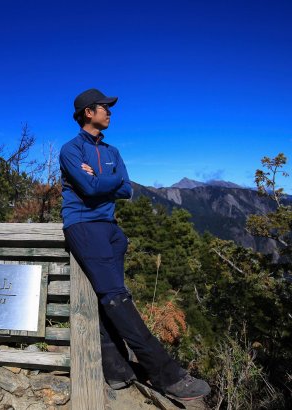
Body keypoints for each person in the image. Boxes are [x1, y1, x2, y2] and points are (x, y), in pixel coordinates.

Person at [59, 88, 210, 400]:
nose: (110, 112)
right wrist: (109, 179)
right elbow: (89, 189)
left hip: (111, 230)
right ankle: (166, 374)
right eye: (105, 108)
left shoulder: (112, 151)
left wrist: (104, 179)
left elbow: (127, 189)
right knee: (116, 297)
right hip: (85, 226)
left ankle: (116, 370)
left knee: (110, 298)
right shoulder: (70, 149)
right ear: (89, 112)